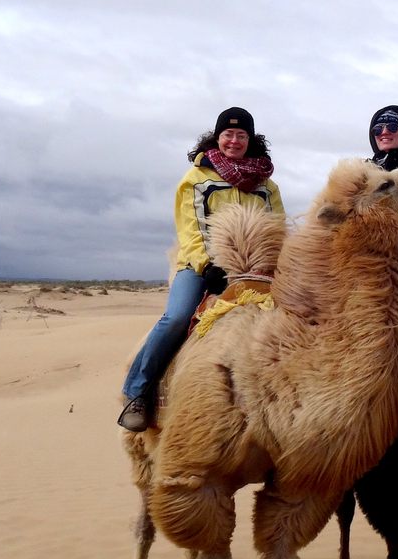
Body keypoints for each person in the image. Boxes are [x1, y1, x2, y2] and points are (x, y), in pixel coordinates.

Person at [117, 106, 284, 432]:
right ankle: (137, 392)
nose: (234, 141)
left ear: (250, 140)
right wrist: (207, 265)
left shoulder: (266, 185)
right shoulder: (197, 178)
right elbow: (190, 229)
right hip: (202, 266)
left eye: (241, 135)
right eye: (228, 134)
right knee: (178, 317)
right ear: (217, 137)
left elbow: (276, 226)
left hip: (255, 269)